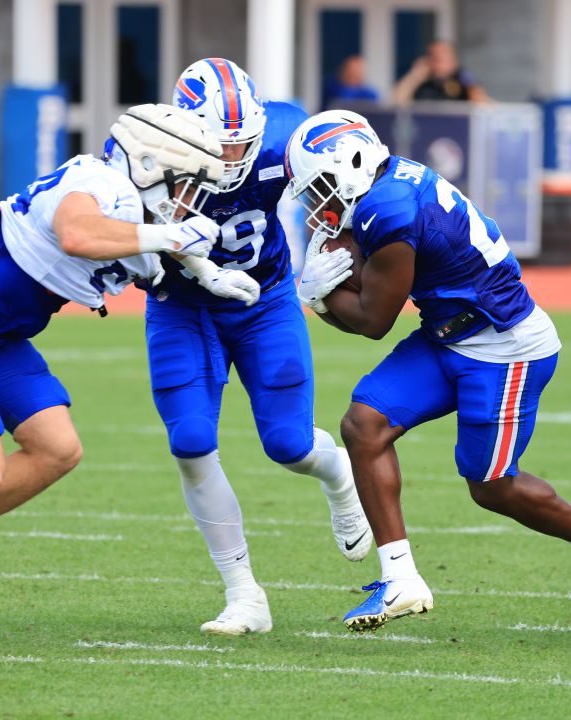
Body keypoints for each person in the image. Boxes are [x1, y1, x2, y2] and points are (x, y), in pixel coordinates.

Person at [0, 104, 260, 652]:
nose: (185, 196)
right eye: (183, 179)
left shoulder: (130, 204)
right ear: (147, 162)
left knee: (57, 448)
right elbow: (77, 233)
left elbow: (148, 257)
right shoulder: (101, 182)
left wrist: (208, 271)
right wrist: (168, 238)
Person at [285, 109, 571, 631]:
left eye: (319, 188)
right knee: (364, 424)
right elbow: (367, 289)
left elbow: (374, 320)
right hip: (451, 331)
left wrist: (319, 295)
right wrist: (328, 292)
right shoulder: (386, 184)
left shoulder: (390, 210)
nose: (317, 204)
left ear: (352, 166)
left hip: (504, 347)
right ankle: (401, 579)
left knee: (490, 487)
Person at [162, 58, 373, 636]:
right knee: (191, 440)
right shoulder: (144, 150)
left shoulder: (286, 134)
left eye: (243, 145)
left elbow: (334, 201)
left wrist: (324, 259)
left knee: (288, 444)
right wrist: (197, 268)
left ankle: (339, 478)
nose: (233, 158)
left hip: (265, 298)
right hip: (182, 306)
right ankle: (244, 595)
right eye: (220, 147)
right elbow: (126, 238)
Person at [391, 40, 490, 104]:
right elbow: (397, 101)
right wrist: (414, 76)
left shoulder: (462, 78)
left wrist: (471, 86)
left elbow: (483, 104)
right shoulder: (423, 81)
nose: (438, 60)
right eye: (433, 56)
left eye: (443, 55)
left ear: (454, 60)